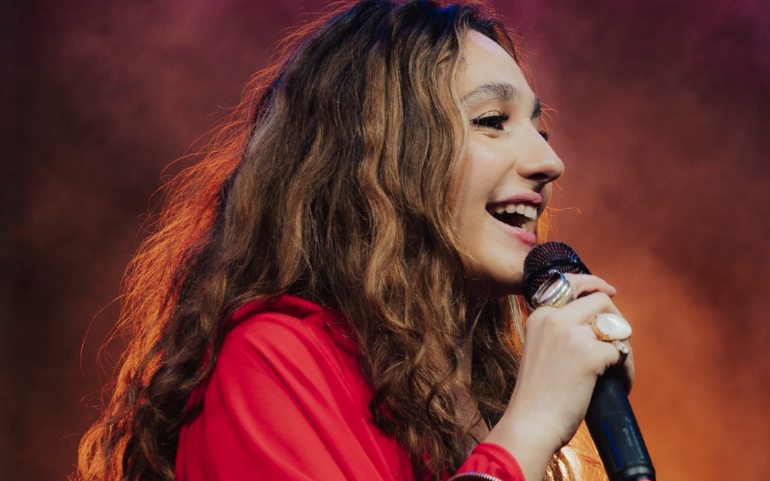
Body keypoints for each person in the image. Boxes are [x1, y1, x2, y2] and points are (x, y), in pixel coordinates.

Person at [76, 1, 633, 480]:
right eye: (491, 120)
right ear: (376, 156)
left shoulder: (477, 406)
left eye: (540, 130)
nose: (550, 161)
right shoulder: (271, 362)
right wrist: (531, 426)